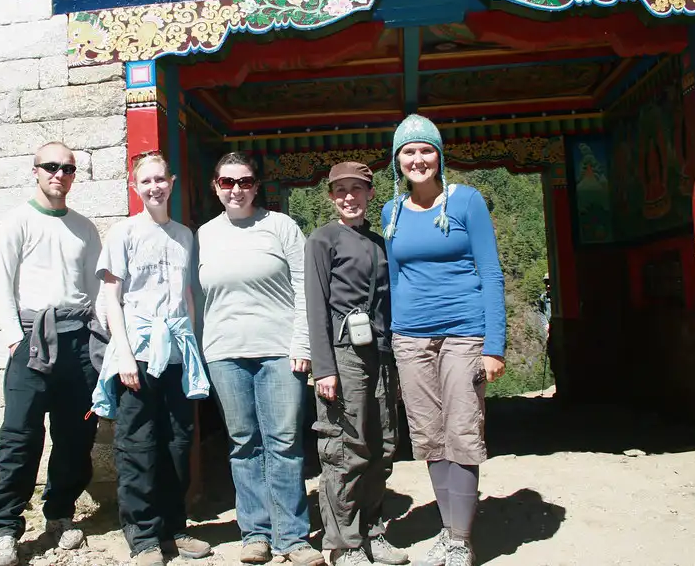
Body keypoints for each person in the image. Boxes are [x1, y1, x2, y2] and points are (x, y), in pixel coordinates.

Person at [380, 115, 507, 566]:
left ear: (439, 155)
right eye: (408, 152)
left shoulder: (467, 202)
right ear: (397, 161)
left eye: (425, 150)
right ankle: (447, 530)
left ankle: (459, 539)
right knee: (430, 435)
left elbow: (490, 272)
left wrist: (495, 344)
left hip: (464, 332)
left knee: (463, 431)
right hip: (411, 337)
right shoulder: (390, 211)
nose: (418, 159)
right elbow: (394, 279)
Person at [196, 152, 325, 566]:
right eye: (228, 181)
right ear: (215, 185)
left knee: (284, 443)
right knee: (243, 444)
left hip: (278, 350)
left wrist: (303, 344)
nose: (237, 189)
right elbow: (194, 299)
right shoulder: (203, 236)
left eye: (246, 181)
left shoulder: (281, 226)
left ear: (257, 185)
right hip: (224, 352)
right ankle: (255, 532)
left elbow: (306, 287)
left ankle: (293, 536)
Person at [0, 141, 103, 566]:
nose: (60, 174)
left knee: (77, 433)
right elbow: (1, 282)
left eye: (68, 168)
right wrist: (14, 338)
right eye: (51, 166)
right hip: (31, 340)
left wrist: (98, 339)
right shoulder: (16, 221)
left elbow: (94, 288)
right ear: (34, 171)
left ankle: (60, 513)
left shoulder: (85, 228)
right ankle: (4, 526)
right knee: (19, 435)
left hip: (78, 342)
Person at [96, 150, 213, 566]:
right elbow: (112, 296)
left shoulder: (184, 235)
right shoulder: (123, 234)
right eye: (145, 181)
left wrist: (195, 348)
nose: (154, 187)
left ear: (172, 181)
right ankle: (143, 536)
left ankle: (174, 527)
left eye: (160, 179)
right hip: (139, 353)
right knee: (138, 445)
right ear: (135, 187)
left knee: (178, 442)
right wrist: (123, 351)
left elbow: (187, 297)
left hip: (178, 354)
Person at [304, 162, 408, 566]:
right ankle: (344, 544)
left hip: (380, 353)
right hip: (343, 353)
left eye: (357, 189)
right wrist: (323, 367)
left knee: (382, 444)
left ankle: (374, 531)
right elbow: (315, 305)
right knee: (346, 447)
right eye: (341, 190)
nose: (349, 197)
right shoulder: (322, 240)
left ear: (369, 194)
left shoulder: (381, 244)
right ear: (331, 196)